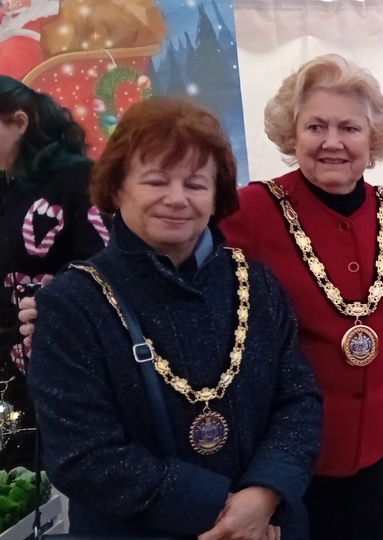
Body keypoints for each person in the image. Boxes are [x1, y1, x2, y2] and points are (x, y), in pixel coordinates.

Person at [26, 98, 322, 538]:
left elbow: (299, 402)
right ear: (117, 187)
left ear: (216, 195)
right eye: (156, 181)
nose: (177, 199)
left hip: (268, 525)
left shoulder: (257, 283)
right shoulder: (71, 303)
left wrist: (265, 494)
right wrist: (225, 512)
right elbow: (82, 454)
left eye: (196, 184)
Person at [220, 54, 383, 540]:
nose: (333, 142)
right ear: (292, 134)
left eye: (349, 128)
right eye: (316, 126)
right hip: (283, 461)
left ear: (372, 139)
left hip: (374, 450)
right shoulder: (249, 211)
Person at [0, 74, 102, 469]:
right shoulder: (7, 186)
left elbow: (101, 264)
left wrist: (53, 300)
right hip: (11, 368)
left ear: (19, 122)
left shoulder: (77, 177)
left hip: (64, 359)